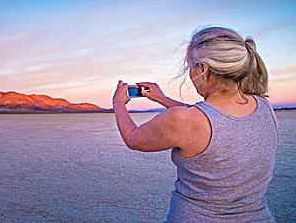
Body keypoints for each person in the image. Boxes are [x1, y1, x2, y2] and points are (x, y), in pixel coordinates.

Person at [112, 26, 279, 222]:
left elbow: (133, 139)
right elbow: (214, 116)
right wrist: (163, 99)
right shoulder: (264, 106)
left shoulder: (184, 120)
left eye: (191, 66)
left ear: (203, 69)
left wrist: (118, 103)